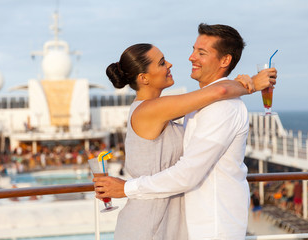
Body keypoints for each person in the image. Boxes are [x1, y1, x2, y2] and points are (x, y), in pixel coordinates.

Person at [95, 24, 277, 240]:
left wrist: (238, 83)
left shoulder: (196, 108)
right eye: (162, 62)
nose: (188, 58)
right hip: (150, 222)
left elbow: (218, 92)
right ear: (144, 78)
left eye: (201, 52)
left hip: (187, 224)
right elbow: (219, 90)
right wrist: (252, 84)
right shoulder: (151, 110)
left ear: (224, 60)